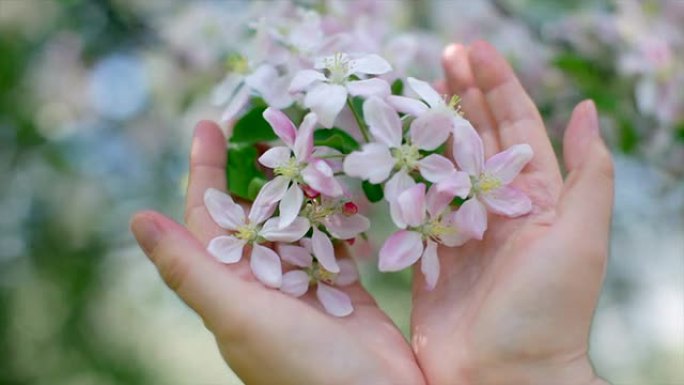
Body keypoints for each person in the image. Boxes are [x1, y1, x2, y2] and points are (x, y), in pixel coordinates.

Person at [130, 41, 613, 385]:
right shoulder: (380, 157)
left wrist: (524, 370)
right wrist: (528, 372)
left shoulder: (438, 167)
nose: (409, 157)